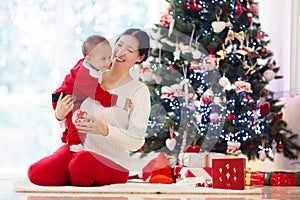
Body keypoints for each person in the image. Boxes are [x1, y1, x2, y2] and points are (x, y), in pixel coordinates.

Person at [27, 28, 151, 186]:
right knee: (37, 173)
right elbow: (71, 117)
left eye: (129, 50)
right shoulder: (89, 72)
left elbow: (136, 141)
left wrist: (105, 129)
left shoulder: (138, 91)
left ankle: (76, 175)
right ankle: (75, 174)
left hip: (113, 162)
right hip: (77, 150)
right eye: (119, 45)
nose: (120, 52)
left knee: (81, 164)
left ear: (140, 57)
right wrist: (59, 115)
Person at [52, 35, 132, 152]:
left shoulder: (92, 64)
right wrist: (120, 101)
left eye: (109, 57)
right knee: (76, 120)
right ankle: (75, 145)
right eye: (104, 59)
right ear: (89, 59)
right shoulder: (86, 76)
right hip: (67, 98)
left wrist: (105, 63)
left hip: (74, 97)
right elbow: (101, 96)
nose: (108, 62)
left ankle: (68, 137)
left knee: (75, 121)